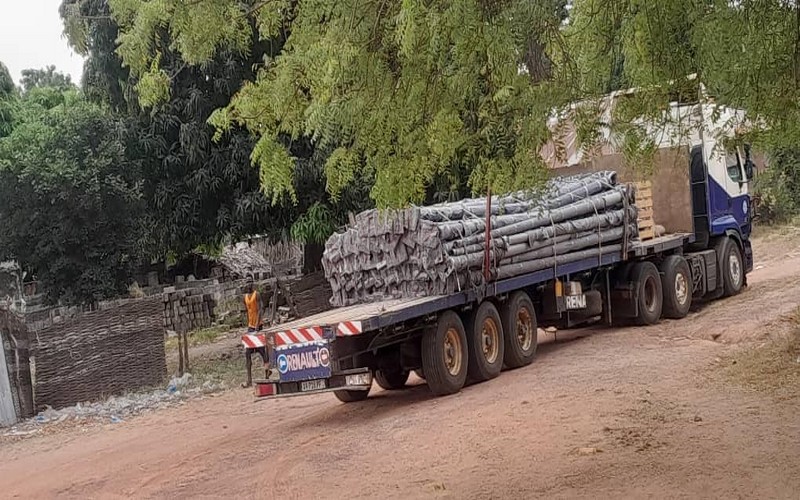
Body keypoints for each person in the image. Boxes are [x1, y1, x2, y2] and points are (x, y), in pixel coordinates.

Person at [242, 282, 269, 388]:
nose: (248, 284)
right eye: (246, 282)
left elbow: (259, 310)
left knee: (262, 350)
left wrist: (257, 325)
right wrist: (248, 325)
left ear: (252, 284)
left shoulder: (256, 295)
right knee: (247, 352)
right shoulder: (245, 297)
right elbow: (246, 311)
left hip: (258, 326)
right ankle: (249, 380)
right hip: (250, 326)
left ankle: (267, 373)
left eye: (249, 282)